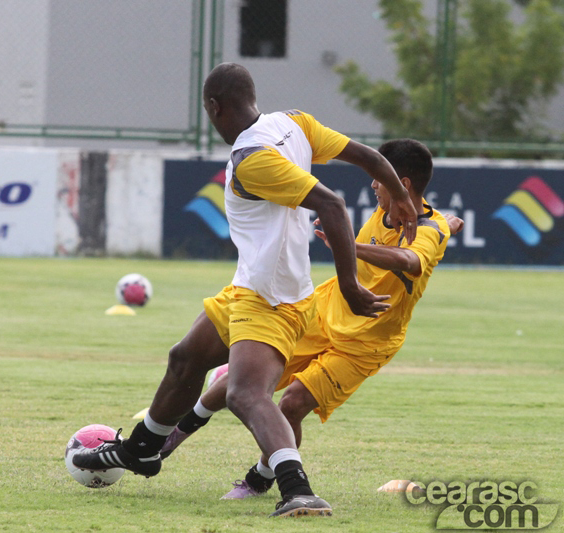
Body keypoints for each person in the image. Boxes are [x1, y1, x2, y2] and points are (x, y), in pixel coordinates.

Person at [72, 62, 418, 518]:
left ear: (214, 107)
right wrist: (401, 196)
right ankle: (142, 451)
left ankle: (298, 491)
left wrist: (351, 284)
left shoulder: (250, 161)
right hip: (248, 284)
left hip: (271, 297)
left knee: (245, 394)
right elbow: (371, 159)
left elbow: (331, 205)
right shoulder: (295, 122)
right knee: (186, 357)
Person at [160, 139, 458, 504]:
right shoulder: (400, 214)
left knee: (293, 404)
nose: (373, 184)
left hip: (365, 343)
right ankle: (173, 436)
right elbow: (437, 231)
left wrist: (349, 243)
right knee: (244, 379)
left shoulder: (429, 227)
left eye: (378, 178)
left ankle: (259, 479)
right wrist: (452, 225)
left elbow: (410, 260)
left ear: (404, 183)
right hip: (321, 311)